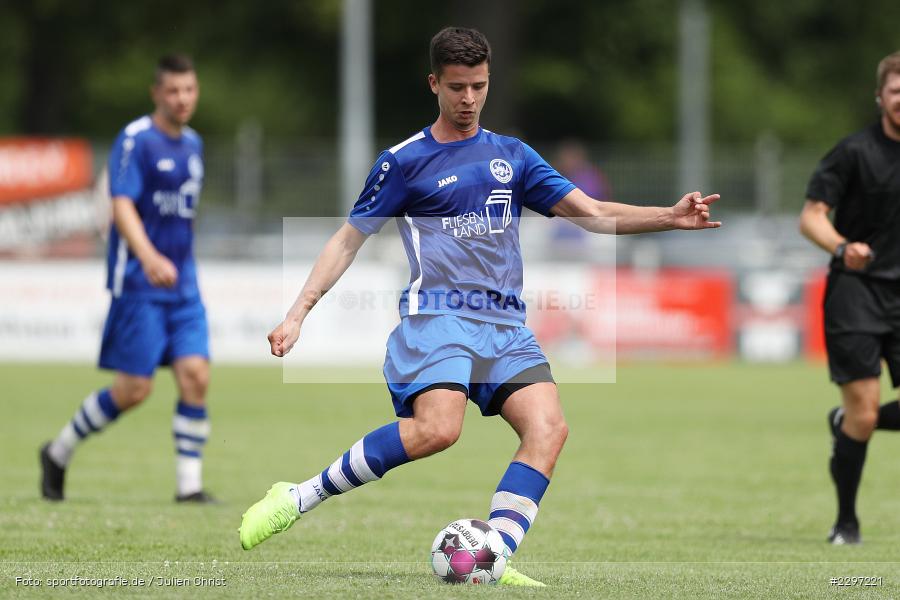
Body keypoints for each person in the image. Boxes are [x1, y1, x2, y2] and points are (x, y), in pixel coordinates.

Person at [239, 27, 720, 585]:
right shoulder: (404, 162)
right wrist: (298, 312)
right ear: (434, 84)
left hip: (505, 324)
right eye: (458, 87)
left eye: (480, 86)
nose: (469, 99)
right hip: (437, 316)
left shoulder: (511, 156)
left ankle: (495, 553)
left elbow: (589, 213)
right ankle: (298, 496)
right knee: (438, 430)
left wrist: (669, 216)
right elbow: (348, 239)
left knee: (549, 429)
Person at [39, 55, 214, 503]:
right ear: (156, 93)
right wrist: (150, 257)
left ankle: (189, 487)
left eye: (189, 89)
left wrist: (179, 263)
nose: (182, 98)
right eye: (173, 91)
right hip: (139, 281)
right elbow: (121, 204)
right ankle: (59, 451)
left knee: (195, 373)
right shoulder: (136, 140)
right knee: (134, 389)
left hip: (183, 285)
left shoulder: (193, 144)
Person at [799, 50, 900, 545]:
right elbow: (811, 216)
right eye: (897, 91)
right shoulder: (854, 151)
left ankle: (847, 424)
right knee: (864, 411)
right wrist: (843, 246)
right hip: (857, 292)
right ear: (880, 96)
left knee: (859, 419)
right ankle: (846, 522)